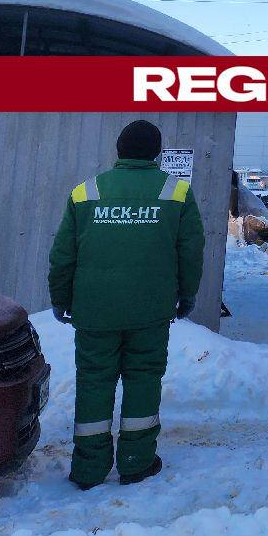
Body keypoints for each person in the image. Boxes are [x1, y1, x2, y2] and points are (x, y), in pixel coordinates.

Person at [48, 119, 204, 490]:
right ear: (156, 153)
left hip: (94, 312)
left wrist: (60, 299)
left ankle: (88, 468)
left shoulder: (85, 192)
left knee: (93, 382)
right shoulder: (176, 193)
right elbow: (191, 251)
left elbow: (62, 256)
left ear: (118, 150)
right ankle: (136, 461)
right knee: (144, 380)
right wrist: (187, 294)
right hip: (150, 311)